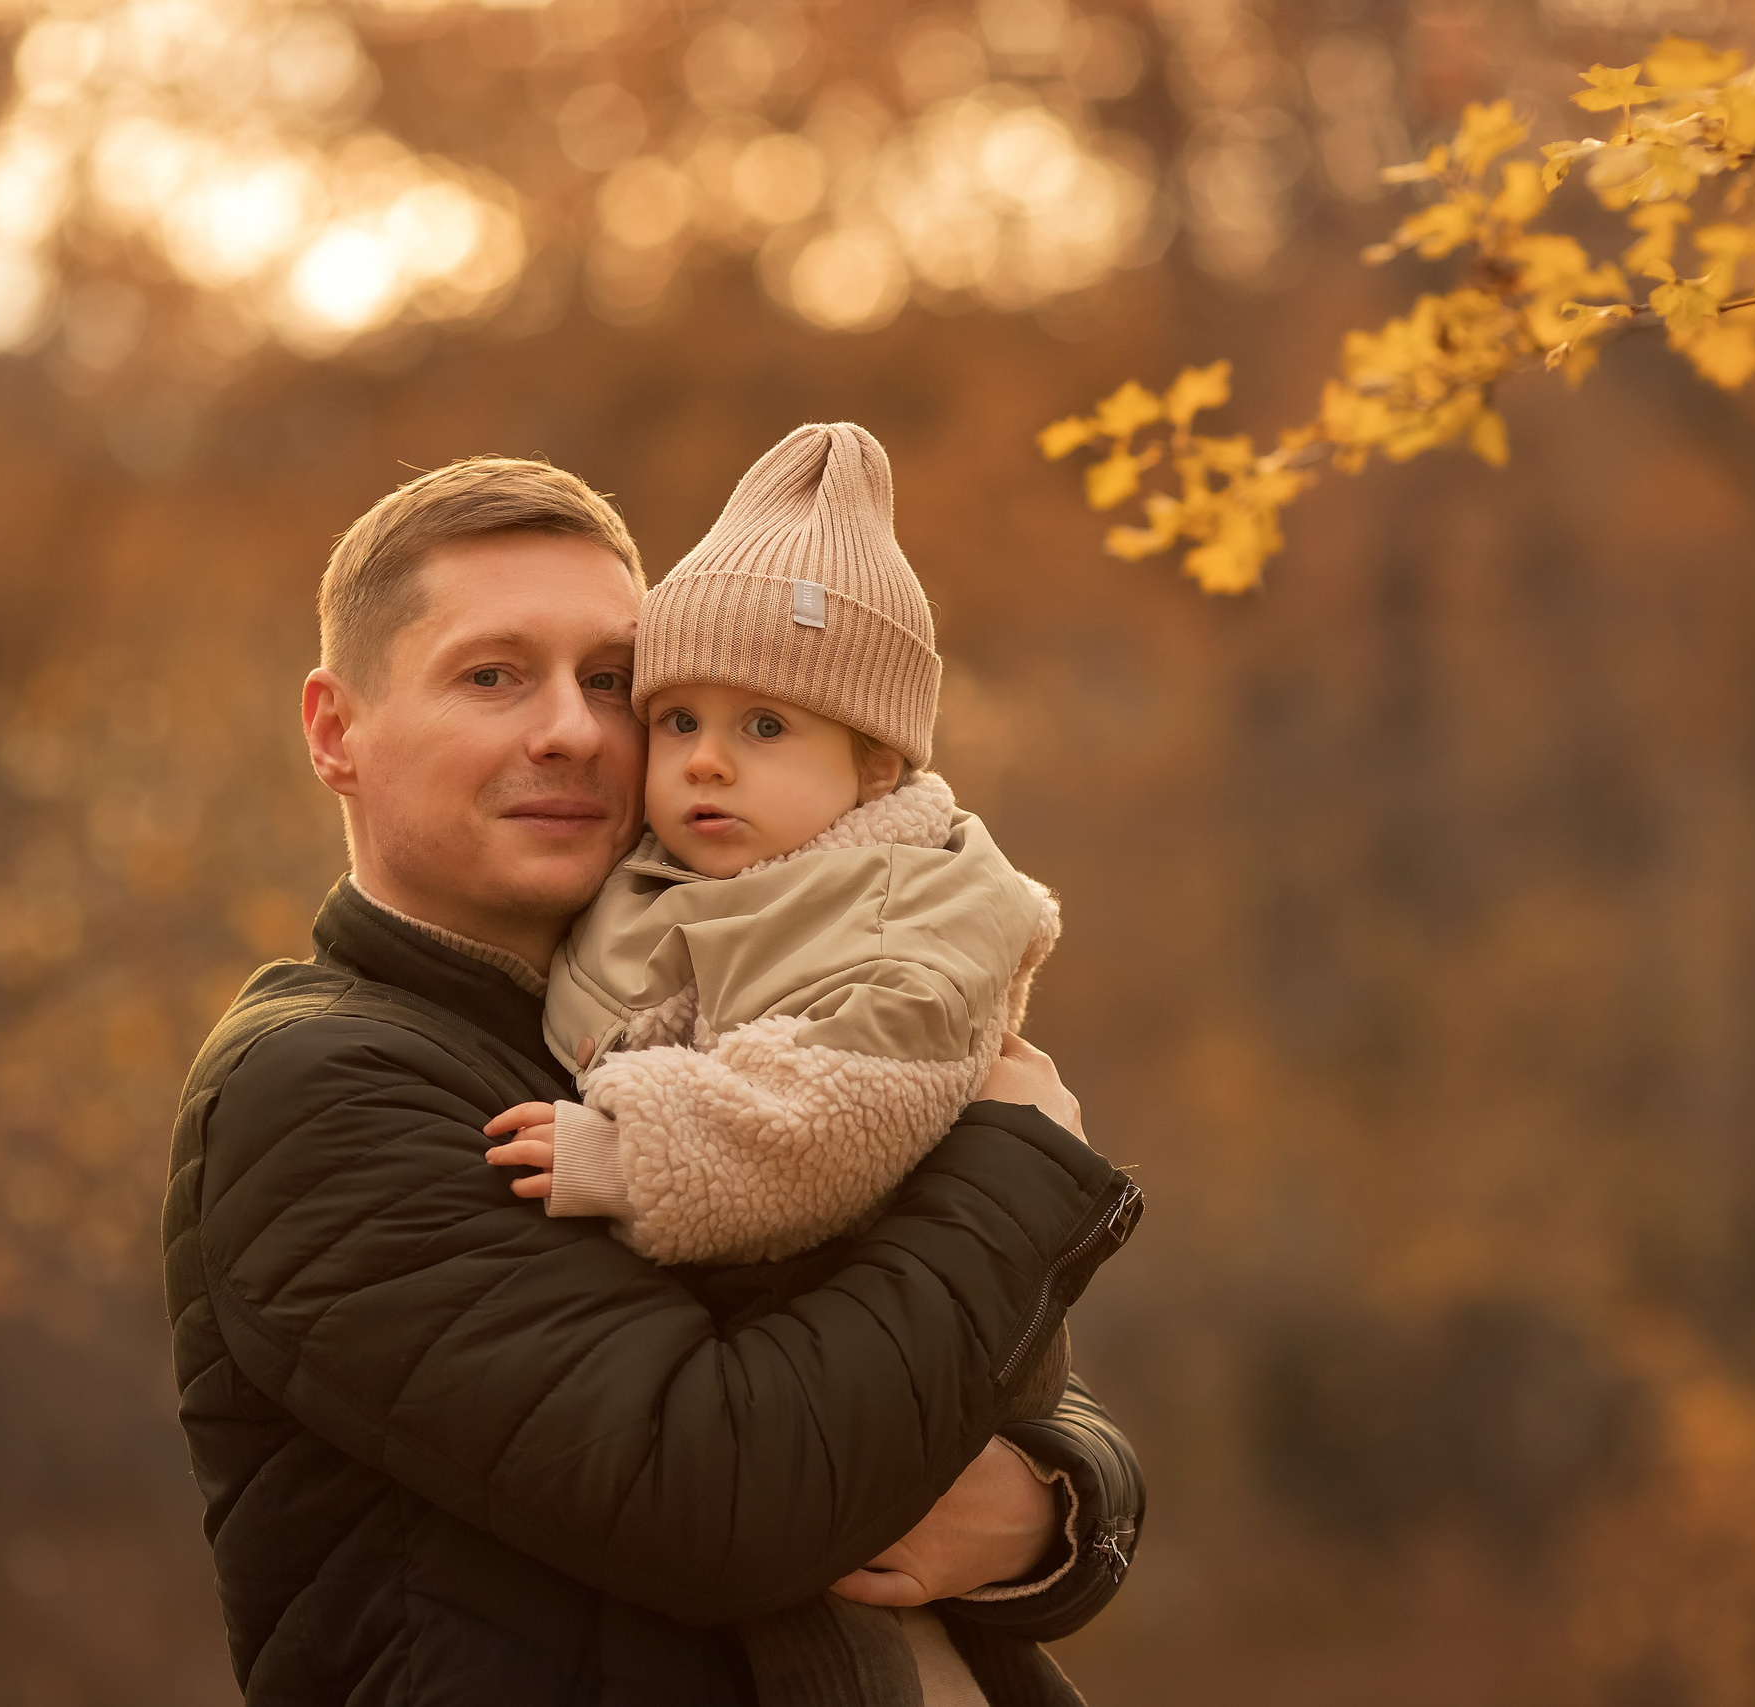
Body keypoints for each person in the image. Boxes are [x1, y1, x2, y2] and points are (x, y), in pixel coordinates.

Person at [161, 455, 1145, 1707]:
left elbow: (945, 1354)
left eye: (615, 683)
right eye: (492, 675)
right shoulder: (318, 1088)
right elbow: (730, 1495)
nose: (573, 728)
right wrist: (1015, 1157)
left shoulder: (678, 1015)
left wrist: (1055, 1503)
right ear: (335, 731)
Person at [479, 424, 1116, 1706]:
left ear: (875, 763)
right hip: (814, 1339)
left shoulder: (909, 921)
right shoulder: (683, 874)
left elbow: (830, 1110)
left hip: (879, 1286)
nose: (706, 760)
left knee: (842, 1644)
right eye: (677, 720)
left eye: (765, 724)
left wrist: (631, 1145)